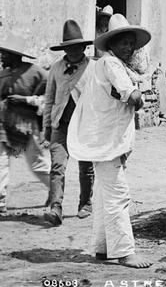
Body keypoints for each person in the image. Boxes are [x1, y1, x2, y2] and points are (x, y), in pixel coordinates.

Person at [67, 14, 151, 268]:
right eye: (123, 42)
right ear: (112, 43)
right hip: (106, 141)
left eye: (130, 43)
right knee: (118, 194)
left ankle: (102, 247)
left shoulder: (106, 64)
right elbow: (132, 95)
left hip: (105, 139)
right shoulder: (111, 65)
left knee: (104, 194)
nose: (128, 47)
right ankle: (125, 251)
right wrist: (140, 97)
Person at [41, 20, 95, 225]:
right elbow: (49, 99)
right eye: (69, 48)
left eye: (77, 47)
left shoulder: (93, 68)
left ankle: (86, 203)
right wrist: (47, 127)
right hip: (60, 125)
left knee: (86, 167)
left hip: (84, 125)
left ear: (83, 47)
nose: (73, 51)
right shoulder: (56, 69)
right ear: (64, 49)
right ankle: (56, 208)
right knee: (57, 166)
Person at [0, 33, 51, 215]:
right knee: (1, 163)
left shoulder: (37, 73)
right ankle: (0, 201)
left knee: (36, 163)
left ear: (14, 56)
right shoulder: (2, 75)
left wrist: (26, 100)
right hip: (3, 125)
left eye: (5, 54)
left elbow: (48, 98)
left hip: (28, 125)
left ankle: (55, 189)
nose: (1, 57)